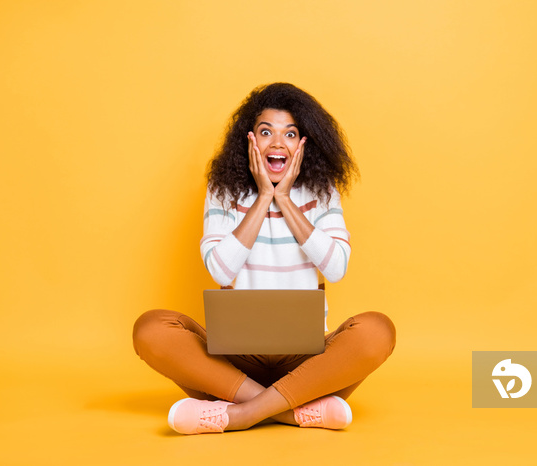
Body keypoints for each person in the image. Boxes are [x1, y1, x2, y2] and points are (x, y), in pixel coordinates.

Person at [132, 83, 396, 434]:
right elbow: (219, 268)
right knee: (150, 328)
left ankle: (238, 414)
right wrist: (262, 200)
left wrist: (285, 199)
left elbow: (335, 267)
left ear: (303, 144)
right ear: (250, 141)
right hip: (233, 363)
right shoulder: (224, 191)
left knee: (377, 330)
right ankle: (290, 410)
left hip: (306, 360)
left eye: (290, 133)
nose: (277, 143)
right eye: (266, 132)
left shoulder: (321, 192)